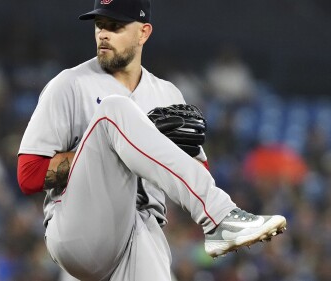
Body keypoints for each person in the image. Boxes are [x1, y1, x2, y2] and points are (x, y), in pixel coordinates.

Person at [17, 0, 286, 280]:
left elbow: (195, 176)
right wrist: (105, 153)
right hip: (81, 228)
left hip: (143, 231)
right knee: (113, 111)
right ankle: (221, 218)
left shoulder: (167, 95)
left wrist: (153, 146)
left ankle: (222, 220)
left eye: (116, 26)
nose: (104, 34)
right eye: (100, 25)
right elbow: (29, 175)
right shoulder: (69, 85)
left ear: (143, 33)